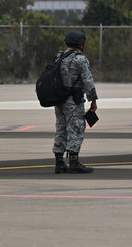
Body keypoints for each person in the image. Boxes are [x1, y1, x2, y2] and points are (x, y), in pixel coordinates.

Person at [52, 31, 99, 174]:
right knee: (76, 128)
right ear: (81, 44)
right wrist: (93, 100)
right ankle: (73, 161)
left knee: (61, 129)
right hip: (73, 100)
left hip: (59, 100)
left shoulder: (59, 57)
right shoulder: (80, 59)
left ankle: (59, 162)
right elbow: (88, 80)